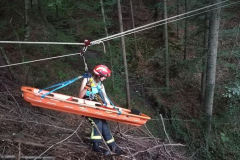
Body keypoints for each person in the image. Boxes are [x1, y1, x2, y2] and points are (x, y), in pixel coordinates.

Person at [79, 65, 123, 155]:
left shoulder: (101, 85)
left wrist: (112, 109)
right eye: (104, 76)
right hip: (86, 108)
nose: (105, 78)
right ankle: (96, 146)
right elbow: (80, 96)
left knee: (104, 124)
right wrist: (87, 86)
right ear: (99, 75)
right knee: (97, 122)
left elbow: (106, 99)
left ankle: (113, 147)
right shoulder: (87, 80)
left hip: (97, 109)